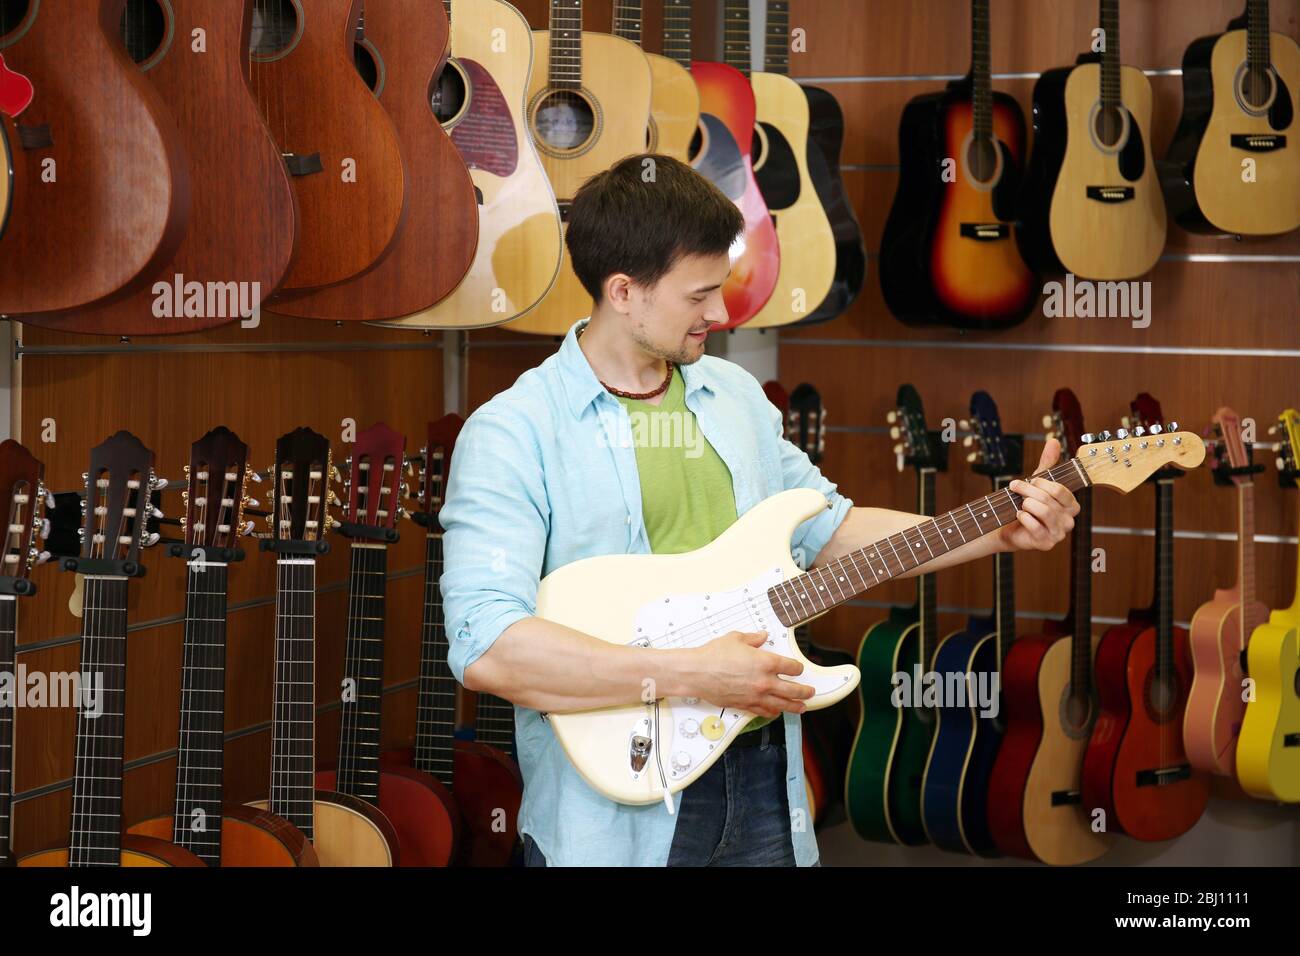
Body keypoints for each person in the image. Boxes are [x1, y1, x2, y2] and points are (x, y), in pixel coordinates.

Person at [439, 154, 1079, 866]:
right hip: (613, 820)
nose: (720, 312)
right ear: (623, 292)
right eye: (699, 295)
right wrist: (690, 674)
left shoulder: (734, 395)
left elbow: (828, 529)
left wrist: (996, 529)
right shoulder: (514, 432)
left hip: (767, 779)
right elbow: (488, 647)